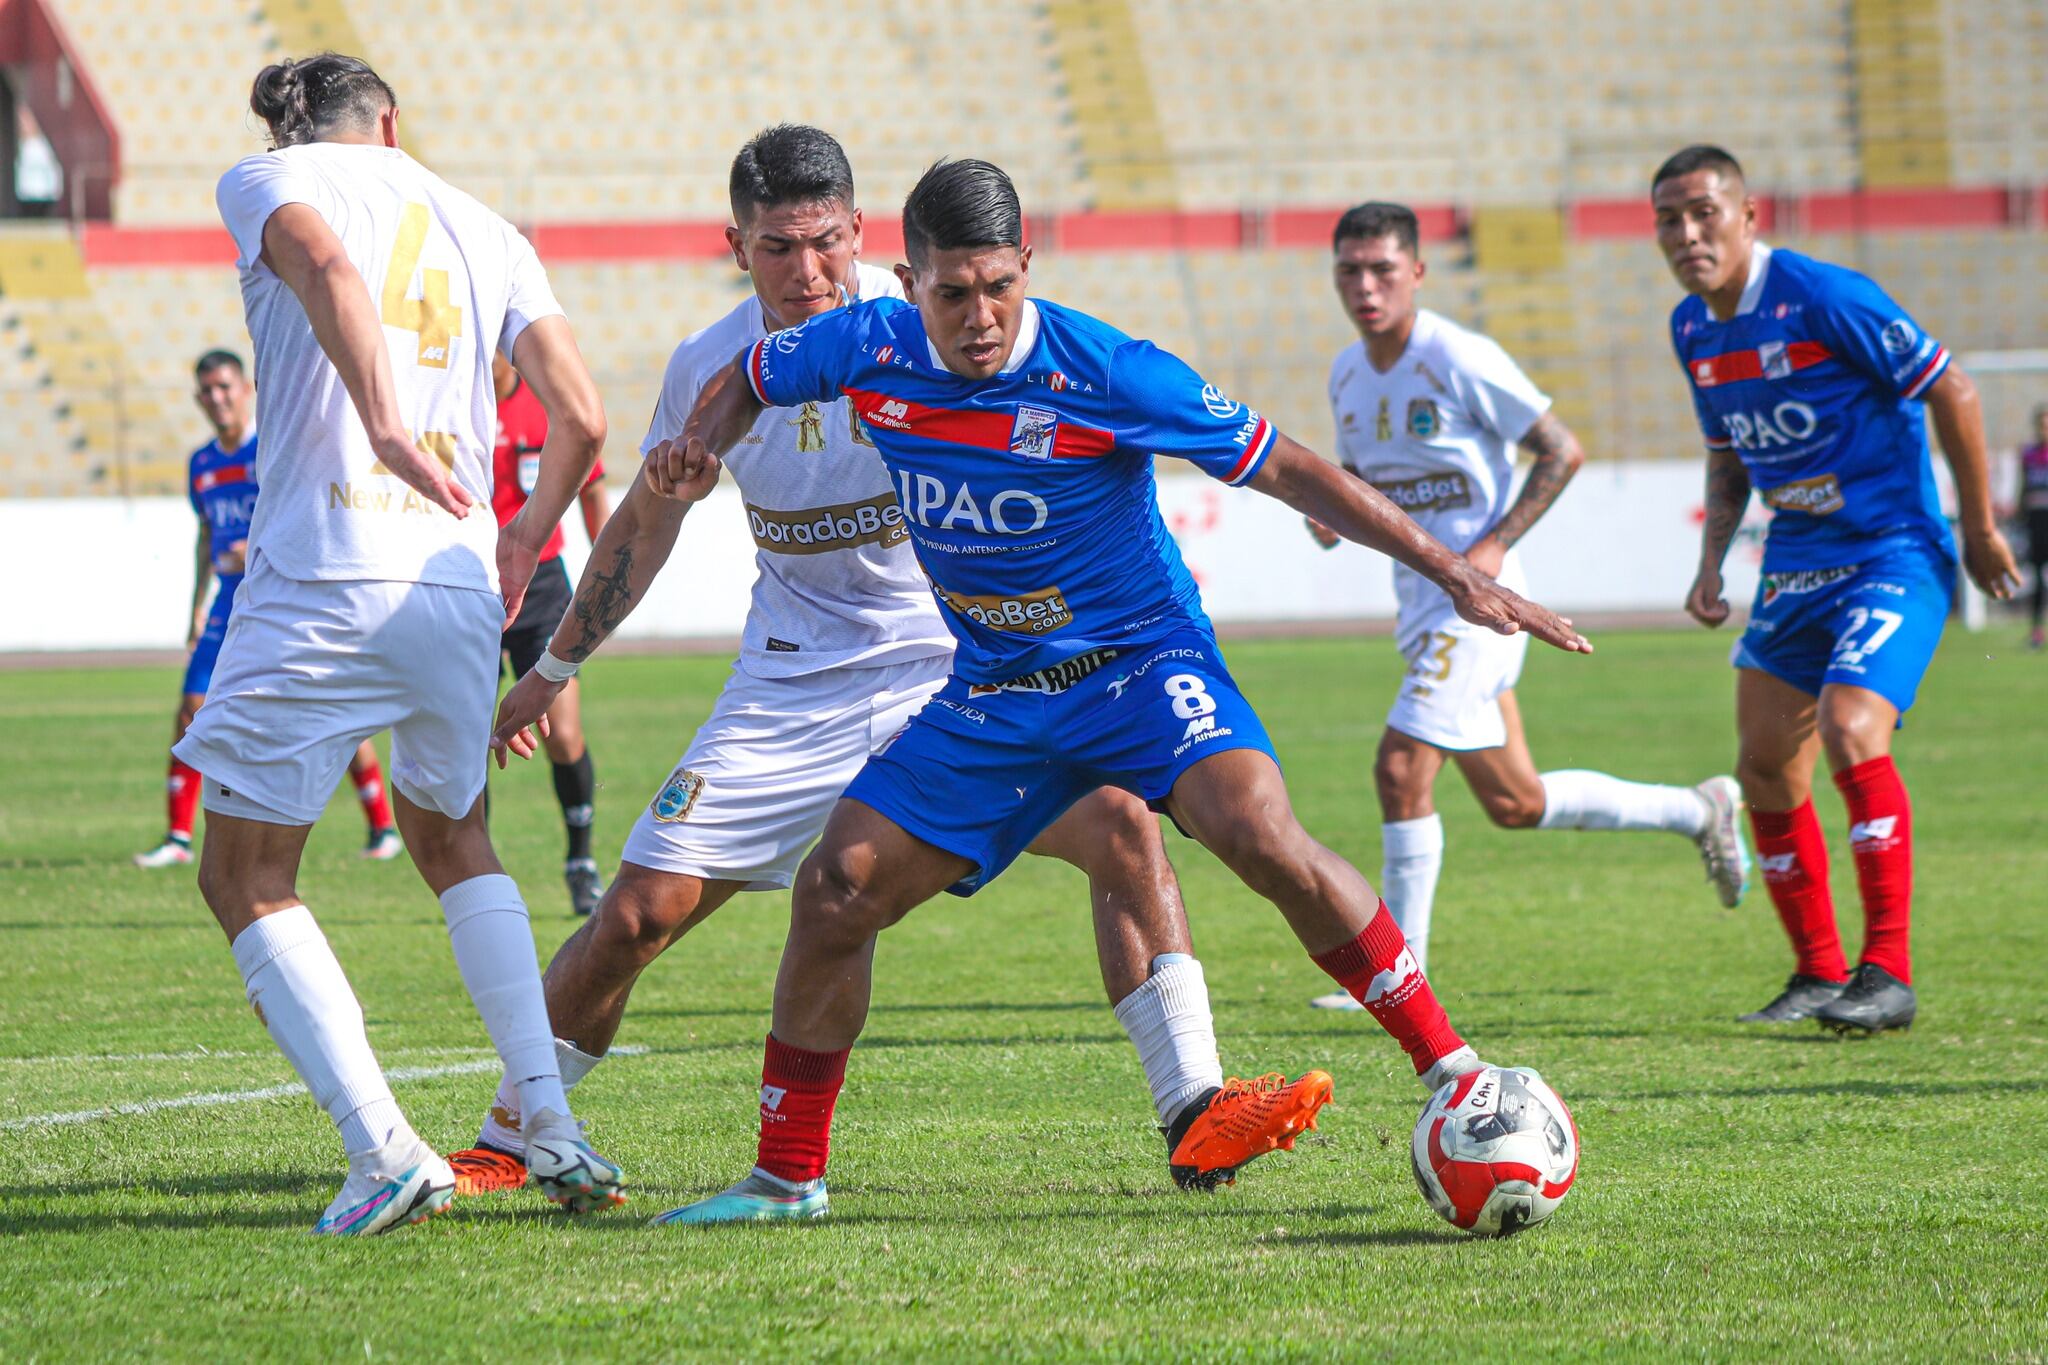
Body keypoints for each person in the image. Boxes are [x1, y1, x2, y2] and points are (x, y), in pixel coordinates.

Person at [568, 157, 1590, 1225]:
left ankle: (1453, 1070)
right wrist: (701, 442)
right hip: (996, 689)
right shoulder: (859, 341)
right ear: (904, 280)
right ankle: (785, 1178)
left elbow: (1285, 466)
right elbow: (752, 374)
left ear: (1026, 267)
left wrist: (1458, 572)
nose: (977, 316)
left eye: (997, 286)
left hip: (1140, 665)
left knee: (1251, 827)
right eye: (950, 292)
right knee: (837, 890)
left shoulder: (1106, 369)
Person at [461, 125, 1332, 1211]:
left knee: (1119, 822)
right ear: (736, 246)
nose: (807, 271)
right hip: (791, 678)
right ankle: (513, 1134)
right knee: (635, 915)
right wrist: (550, 666)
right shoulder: (710, 367)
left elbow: (1084, 425)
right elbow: (649, 520)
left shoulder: (931, 321)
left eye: (826, 242)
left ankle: (1194, 1107)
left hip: (957, 666)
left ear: (864, 236)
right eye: (777, 248)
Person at [173, 53, 623, 1234]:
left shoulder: (265, 178)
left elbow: (323, 262)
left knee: (244, 873)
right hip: (455, 574)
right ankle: (550, 1124)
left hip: (323, 566)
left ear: (293, 128)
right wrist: (524, 535)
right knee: (453, 835)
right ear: (391, 121)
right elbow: (582, 414)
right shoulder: (485, 224)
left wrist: (378, 421)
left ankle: (384, 1150)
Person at [1301, 202, 1750, 1005]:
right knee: (1517, 800)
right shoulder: (1344, 371)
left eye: (1382, 270)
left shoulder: (1456, 355)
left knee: (1400, 768)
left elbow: (1561, 448)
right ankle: (1698, 808)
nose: (1365, 287)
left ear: (1417, 273)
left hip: (1478, 608)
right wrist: (1337, 509)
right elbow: (1366, 468)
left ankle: (1396, 971)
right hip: (1422, 605)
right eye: (1349, 271)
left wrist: (1496, 545)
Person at [1655, 145, 2020, 1032]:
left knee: (1855, 731)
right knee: (1765, 768)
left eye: (1705, 211)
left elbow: (1955, 389)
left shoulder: (1824, 297)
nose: (1688, 233)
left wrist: (1976, 529)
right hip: (1795, 562)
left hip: (1893, 549)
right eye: (1670, 218)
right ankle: (1819, 974)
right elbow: (1727, 454)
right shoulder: (1692, 329)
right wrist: (1709, 563)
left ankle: (1885, 971)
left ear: (1749, 216)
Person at [136, 349, 402, 868]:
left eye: (225, 387)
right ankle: (178, 837)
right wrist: (195, 605)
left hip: (282, 597)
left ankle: (382, 826)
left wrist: (257, 546)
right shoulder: (202, 463)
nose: (217, 398)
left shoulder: (272, 449)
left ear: (246, 390)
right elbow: (206, 534)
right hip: (226, 605)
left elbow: (308, 516)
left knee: (326, 712)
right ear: (198, 398)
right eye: (207, 390)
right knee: (190, 711)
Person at [490, 350, 610, 913]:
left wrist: (606, 578)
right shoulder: (450, 404)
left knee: (563, 734)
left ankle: (580, 860)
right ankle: (476, 871)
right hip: (467, 587)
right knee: (465, 738)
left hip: (541, 585)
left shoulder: (547, 407)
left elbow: (591, 491)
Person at [2017, 405, 2048, 650]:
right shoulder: (2029, 455)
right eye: (2042, 425)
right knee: (2037, 580)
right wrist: (2020, 514)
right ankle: (2037, 632)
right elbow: (2024, 488)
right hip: (2036, 524)